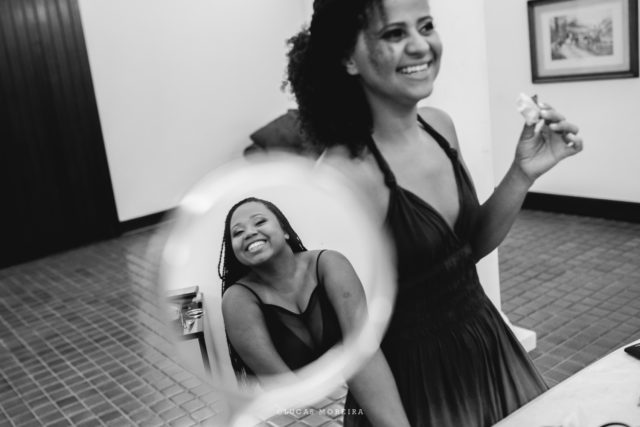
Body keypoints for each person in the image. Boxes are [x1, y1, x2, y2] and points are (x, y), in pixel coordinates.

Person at [284, 0, 583, 426]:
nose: (421, 45)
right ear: (348, 58)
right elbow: (357, 345)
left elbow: (469, 249)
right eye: (394, 33)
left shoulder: (439, 127)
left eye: (425, 26)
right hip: (417, 383)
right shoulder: (341, 177)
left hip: (488, 346)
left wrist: (522, 173)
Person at [219, 197, 411, 426]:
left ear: (285, 231)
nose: (249, 233)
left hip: (371, 394)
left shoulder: (330, 264)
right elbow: (286, 389)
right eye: (238, 232)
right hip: (298, 412)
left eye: (259, 222)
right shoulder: (237, 299)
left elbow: (364, 351)